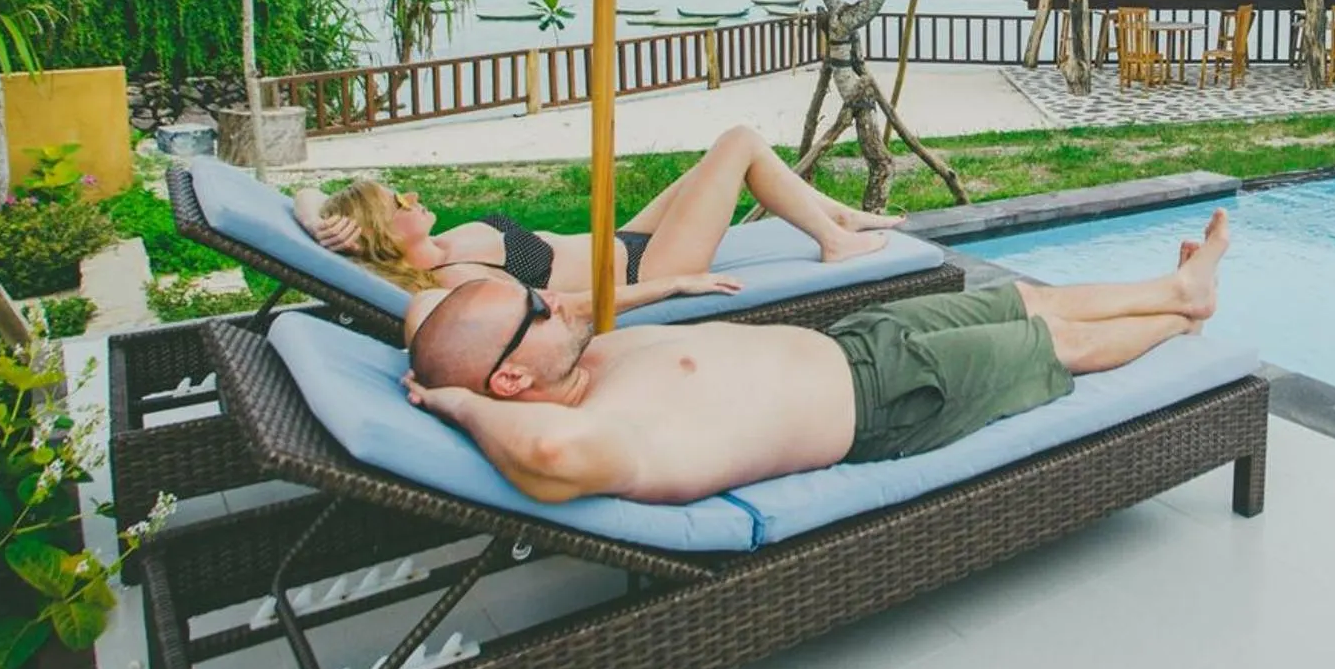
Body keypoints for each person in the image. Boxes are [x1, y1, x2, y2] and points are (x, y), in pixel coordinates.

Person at [402, 210, 1233, 505]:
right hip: (891, 401)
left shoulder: (568, 361)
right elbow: (545, 453)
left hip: (859, 342)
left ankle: (1173, 287)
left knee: (1026, 299)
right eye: (537, 307)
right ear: (508, 379)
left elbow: (421, 311)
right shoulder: (602, 431)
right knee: (1061, 344)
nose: (554, 299)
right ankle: (1176, 321)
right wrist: (456, 404)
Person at [292, 124, 901, 336]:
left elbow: (301, 190)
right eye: (399, 199)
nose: (413, 194)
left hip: (628, 241)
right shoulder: (457, 282)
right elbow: (569, 306)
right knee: (738, 142)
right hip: (648, 268)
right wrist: (673, 286)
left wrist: (318, 211)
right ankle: (834, 239)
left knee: (712, 168)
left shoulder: (450, 243)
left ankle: (834, 216)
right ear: (388, 234)